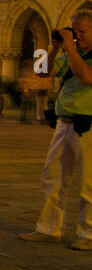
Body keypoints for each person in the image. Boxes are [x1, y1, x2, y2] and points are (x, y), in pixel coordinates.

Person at [22, 13, 92, 249]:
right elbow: (41, 70)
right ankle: (50, 228)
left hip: (88, 126)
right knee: (53, 177)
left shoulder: (82, 58)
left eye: (82, 32)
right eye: (74, 31)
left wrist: (70, 50)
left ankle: (89, 234)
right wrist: (55, 49)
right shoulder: (73, 54)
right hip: (64, 124)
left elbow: (85, 76)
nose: (77, 36)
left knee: (89, 183)